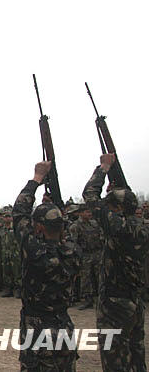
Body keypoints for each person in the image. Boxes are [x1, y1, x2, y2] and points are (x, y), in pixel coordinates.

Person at [83, 153, 149, 371]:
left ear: (119, 209)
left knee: (115, 358)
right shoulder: (142, 227)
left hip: (114, 303)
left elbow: (90, 194)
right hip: (135, 301)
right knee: (136, 354)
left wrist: (103, 167)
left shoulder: (116, 226)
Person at [13, 161, 79, 371]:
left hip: (37, 327)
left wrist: (37, 178)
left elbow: (19, 212)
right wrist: (56, 206)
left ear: (39, 227)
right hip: (63, 324)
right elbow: (61, 229)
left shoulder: (34, 251)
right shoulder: (73, 251)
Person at [68, 205, 103, 310]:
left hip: (97, 253)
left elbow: (101, 236)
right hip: (85, 255)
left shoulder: (94, 224)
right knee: (86, 278)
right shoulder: (75, 226)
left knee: (100, 277)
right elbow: (74, 243)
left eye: (89, 212)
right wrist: (78, 256)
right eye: (87, 212)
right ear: (80, 213)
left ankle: (101, 298)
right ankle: (88, 299)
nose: (89, 214)